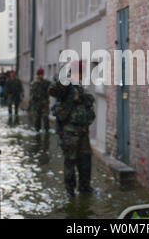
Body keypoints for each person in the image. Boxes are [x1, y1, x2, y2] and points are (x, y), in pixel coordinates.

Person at [49, 61, 96, 198]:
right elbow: (53, 90)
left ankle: (85, 186)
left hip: (83, 131)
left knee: (85, 159)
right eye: (81, 72)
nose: (83, 75)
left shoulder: (80, 87)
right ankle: (70, 189)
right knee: (70, 160)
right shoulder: (66, 86)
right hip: (69, 132)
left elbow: (87, 105)